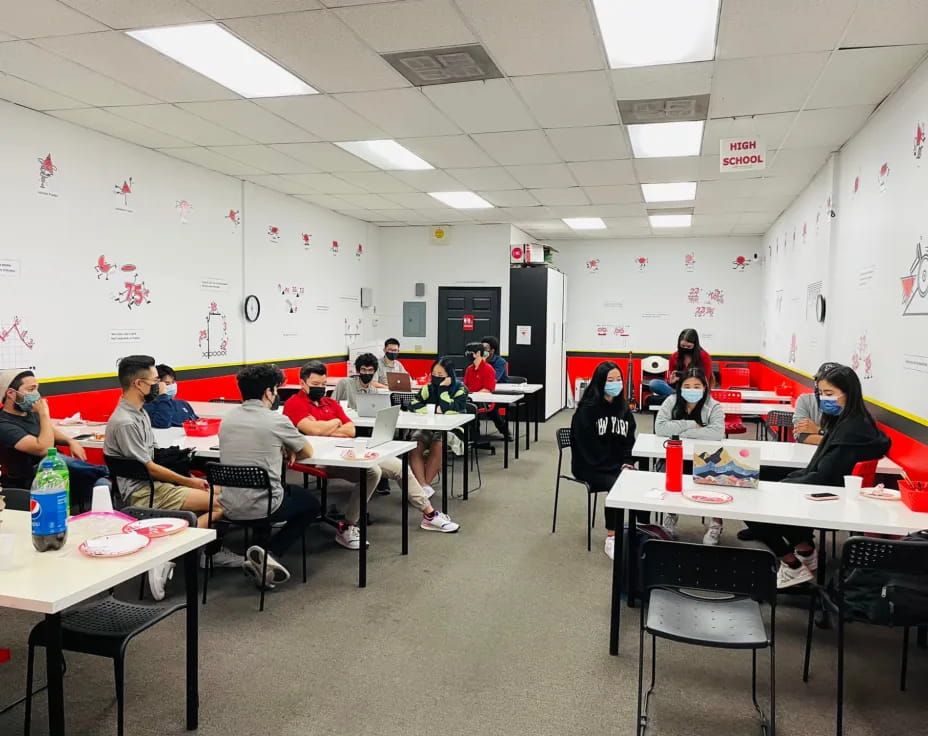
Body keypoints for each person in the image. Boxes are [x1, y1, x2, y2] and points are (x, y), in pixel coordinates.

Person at [104, 355, 237, 600]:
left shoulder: (139, 412)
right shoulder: (125, 421)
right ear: (138, 384)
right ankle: (165, 554)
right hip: (144, 491)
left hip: (155, 484)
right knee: (223, 502)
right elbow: (149, 468)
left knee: (222, 491)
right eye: (155, 380)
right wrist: (188, 481)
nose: (160, 385)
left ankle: (206, 551)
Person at [284, 362, 460, 546]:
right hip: (319, 458)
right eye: (315, 385)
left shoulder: (330, 402)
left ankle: (429, 515)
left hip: (347, 451)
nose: (320, 388)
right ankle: (347, 527)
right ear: (302, 383)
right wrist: (335, 424)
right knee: (372, 471)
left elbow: (351, 430)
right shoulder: (294, 404)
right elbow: (311, 429)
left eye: (323, 384)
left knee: (400, 466)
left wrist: (327, 426)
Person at [747, 364, 891, 589]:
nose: (824, 399)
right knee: (763, 479)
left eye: (830, 394)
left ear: (848, 393)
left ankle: (791, 565)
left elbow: (823, 476)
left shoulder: (851, 430)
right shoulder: (850, 422)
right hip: (829, 489)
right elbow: (818, 468)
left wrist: (783, 487)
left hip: (829, 497)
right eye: (821, 393)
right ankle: (805, 550)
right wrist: (788, 481)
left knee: (752, 501)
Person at [218, 364, 321, 590]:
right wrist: (287, 447)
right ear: (268, 392)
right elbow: (308, 452)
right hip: (266, 506)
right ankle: (270, 553)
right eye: (275, 389)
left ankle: (258, 550)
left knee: (271, 489)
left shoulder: (227, 419)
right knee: (311, 504)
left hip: (229, 504)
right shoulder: (276, 420)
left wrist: (280, 447)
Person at [0, 369, 108, 505]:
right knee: (55, 458)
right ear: (11, 393)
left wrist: (70, 441)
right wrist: (44, 414)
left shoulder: (30, 414)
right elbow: (44, 449)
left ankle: (102, 478)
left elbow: (50, 431)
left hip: (60, 472)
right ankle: (105, 471)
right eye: (31, 389)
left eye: (37, 389)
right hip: (34, 477)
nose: (37, 395)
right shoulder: (4, 424)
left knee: (102, 484)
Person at [569, 361, 637, 560]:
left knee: (635, 481)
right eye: (610, 380)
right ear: (600, 382)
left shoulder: (623, 408)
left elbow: (629, 440)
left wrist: (627, 461)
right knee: (616, 485)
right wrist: (614, 467)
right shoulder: (586, 411)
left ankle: (636, 530)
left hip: (614, 465)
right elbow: (584, 447)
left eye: (618, 380)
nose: (615, 384)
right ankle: (612, 536)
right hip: (589, 466)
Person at [654, 368, 726, 544]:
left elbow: (717, 432)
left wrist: (681, 433)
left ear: (704, 387)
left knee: (715, 477)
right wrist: (692, 425)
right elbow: (661, 428)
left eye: (697, 386)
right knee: (668, 475)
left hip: (705, 458)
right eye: (687, 386)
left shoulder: (713, 406)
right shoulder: (671, 401)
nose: (692, 390)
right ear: (680, 387)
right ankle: (670, 516)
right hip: (674, 456)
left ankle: (716, 522)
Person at [408, 358, 468, 500]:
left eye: (440, 375)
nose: (436, 377)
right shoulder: (428, 388)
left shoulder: (460, 389)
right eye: (434, 374)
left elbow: (451, 410)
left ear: (449, 376)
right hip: (429, 426)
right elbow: (413, 404)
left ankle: (424, 487)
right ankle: (423, 487)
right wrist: (433, 409)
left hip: (453, 429)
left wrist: (442, 390)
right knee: (415, 443)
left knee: (438, 443)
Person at [462, 341, 511, 441]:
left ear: (478, 353)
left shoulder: (489, 369)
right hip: (470, 398)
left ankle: (473, 438)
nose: (468, 355)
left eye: (470, 353)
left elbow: (488, 389)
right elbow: (465, 386)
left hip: (484, 401)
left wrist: (472, 396)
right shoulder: (469, 369)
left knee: (471, 408)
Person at [649, 328, 714, 399]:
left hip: (695, 390)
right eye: (682, 346)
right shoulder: (674, 356)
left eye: (689, 346)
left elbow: (705, 380)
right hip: (678, 389)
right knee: (654, 383)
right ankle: (679, 398)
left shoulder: (704, 356)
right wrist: (672, 381)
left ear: (695, 345)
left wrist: (685, 378)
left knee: (655, 398)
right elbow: (671, 381)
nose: (685, 348)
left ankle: (675, 398)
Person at [792, 362, 841, 445]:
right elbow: (801, 436)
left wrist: (818, 430)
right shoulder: (804, 400)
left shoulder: (846, 404)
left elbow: (848, 440)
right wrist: (834, 440)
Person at [143, 363, 199, 428]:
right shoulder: (148, 407)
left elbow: (197, 422)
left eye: (173, 382)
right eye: (167, 383)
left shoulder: (182, 403)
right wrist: (163, 395)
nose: (172, 386)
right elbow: (163, 423)